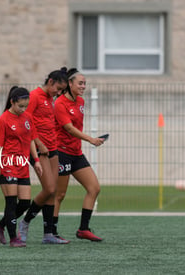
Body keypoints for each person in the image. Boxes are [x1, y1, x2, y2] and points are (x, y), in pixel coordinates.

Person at [18, 68, 69, 244]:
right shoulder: (34, 96)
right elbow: (26, 122)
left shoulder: (50, 99)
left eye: (62, 90)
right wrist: (39, 143)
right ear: (50, 82)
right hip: (39, 149)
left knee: (53, 192)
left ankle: (48, 234)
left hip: (53, 148)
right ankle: (25, 222)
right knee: (48, 189)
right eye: (58, 88)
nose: (59, 93)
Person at [53, 68, 105, 242]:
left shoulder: (81, 101)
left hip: (76, 153)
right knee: (59, 194)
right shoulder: (60, 103)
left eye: (85, 84)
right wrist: (91, 139)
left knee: (94, 188)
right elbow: (68, 128)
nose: (83, 86)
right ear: (69, 84)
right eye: (80, 83)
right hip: (62, 153)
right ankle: (51, 232)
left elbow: (74, 128)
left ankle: (83, 229)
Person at [0, 86, 43, 247]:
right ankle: (14, 238)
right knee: (11, 203)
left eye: (25, 106)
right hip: (7, 164)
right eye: (20, 106)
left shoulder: (27, 117)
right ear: (12, 102)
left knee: (25, 203)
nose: (23, 109)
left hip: (23, 165)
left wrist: (37, 160)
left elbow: (32, 140)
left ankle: (0, 225)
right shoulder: (3, 120)